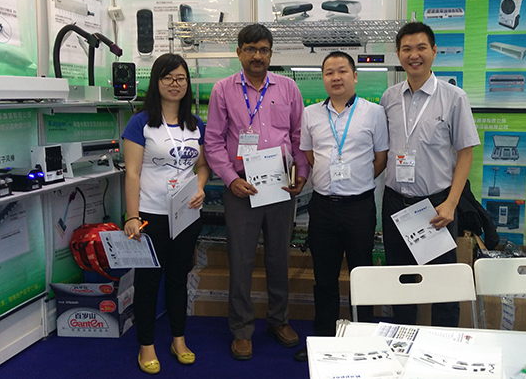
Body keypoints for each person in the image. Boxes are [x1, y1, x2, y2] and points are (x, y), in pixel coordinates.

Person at [205, 23, 309, 360]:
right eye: (250, 49)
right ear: (239, 53)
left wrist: (302, 174)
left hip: (280, 187)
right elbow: (213, 141)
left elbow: (298, 136)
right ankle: (241, 328)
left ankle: (279, 320)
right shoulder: (223, 90)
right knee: (241, 260)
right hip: (242, 189)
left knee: (279, 257)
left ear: (271, 53)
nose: (257, 56)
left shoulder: (288, 87)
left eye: (263, 50)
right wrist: (229, 179)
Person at [380, 22, 480, 327]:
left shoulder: (454, 97)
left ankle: (442, 346)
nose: (414, 55)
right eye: (407, 49)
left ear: (434, 51)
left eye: (421, 48)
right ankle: (402, 341)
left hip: (437, 205)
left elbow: (466, 153)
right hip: (395, 203)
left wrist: (451, 203)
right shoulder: (389, 98)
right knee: (400, 282)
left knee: (442, 285)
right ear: (398, 54)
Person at [294, 51, 388, 362]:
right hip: (322, 207)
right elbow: (310, 155)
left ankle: (363, 343)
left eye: (342, 71)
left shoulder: (373, 112)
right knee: (324, 279)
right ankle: (324, 341)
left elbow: (380, 158)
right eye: (329, 72)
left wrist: (356, 180)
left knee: (362, 277)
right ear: (323, 78)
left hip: (359, 207)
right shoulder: (310, 114)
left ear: (355, 76)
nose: (336, 77)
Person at [122, 53, 210, 374]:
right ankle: (146, 345)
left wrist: (200, 186)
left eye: (181, 78)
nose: (175, 84)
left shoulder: (195, 124)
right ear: (156, 81)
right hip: (151, 214)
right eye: (168, 78)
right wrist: (132, 216)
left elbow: (203, 166)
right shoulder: (140, 123)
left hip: (186, 214)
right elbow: (132, 173)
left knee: (178, 279)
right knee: (147, 282)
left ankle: (178, 340)